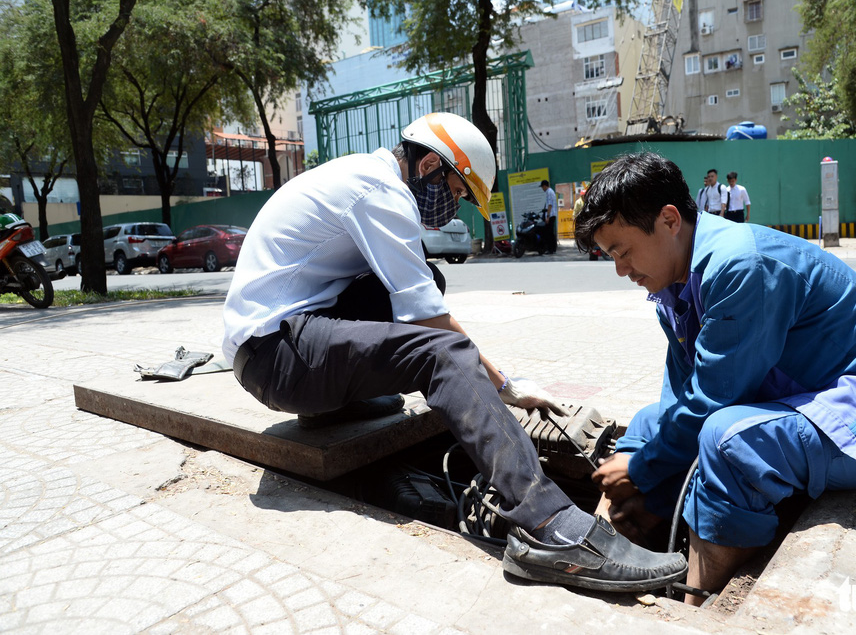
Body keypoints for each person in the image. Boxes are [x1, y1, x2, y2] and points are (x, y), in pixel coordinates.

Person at [223, 113, 686, 593]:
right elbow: (430, 324)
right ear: (428, 165)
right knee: (441, 353)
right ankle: (551, 526)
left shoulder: (368, 178)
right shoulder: (377, 192)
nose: (457, 206)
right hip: (274, 355)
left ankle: (331, 407)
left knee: (429, 281)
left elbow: (415, 298)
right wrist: (502, 385)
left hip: (284, 343)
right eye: (460, 191)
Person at [574, 152, 856, 605]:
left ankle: (694, 604)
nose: (620, 269)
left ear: (669, 220)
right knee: (651, 422)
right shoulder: (674, 283)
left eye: (623, 251)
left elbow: (713, 399)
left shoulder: (738, 266)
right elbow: (679, 397)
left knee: (725, 439)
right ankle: (602, 549)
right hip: (805, 402)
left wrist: (644, 467)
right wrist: (646, 468)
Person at [540, 179, 558, 254]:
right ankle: (553, 248)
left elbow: (549, 205)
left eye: (542, 187)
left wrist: (547, 216)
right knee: (550, 233)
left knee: (548, 233)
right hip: (552, 215)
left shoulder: (549, 192)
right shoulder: (551, 191)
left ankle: (550, 249)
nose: (542, 188)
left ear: (544, 186)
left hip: (550, 215)